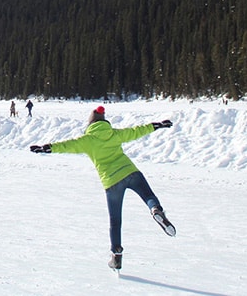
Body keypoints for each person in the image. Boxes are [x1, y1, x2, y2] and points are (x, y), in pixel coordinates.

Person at [30, 105, 176, 271]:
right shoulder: (114, 133)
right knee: (148, 196)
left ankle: (116, 255)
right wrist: (156, 125)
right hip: (130, 171)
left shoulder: (87, 141)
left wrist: (46, 148)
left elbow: (67, 145)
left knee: (115, 221)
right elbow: (136, 131)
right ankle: (156, 210)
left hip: (111, 182)